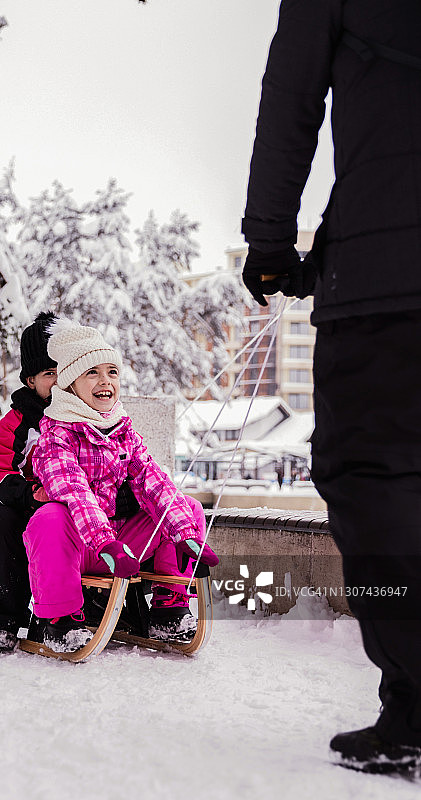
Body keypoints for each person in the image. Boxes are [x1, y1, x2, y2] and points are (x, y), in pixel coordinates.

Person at [241, 0, 421, 775]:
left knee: (369, 481)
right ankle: (408, 710)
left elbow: (291, 96)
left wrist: (270, 242)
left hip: (386, 280)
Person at [22, 319, 218, 654]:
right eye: (92, 373)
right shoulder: (55, 434)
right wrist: (104, 543)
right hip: (83, 547)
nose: (105, 381)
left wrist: (187, 536)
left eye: (112, 372)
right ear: (69, 384)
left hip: (123, 548)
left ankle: (169, 606)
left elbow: (154, 482)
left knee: (186, 506)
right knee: (49, 518)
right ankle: (61, 619)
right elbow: (75, 493)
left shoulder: (123, 432)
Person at [0, 311, 57, 652]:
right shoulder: (16, 424)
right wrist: (31, 494)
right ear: (31, 380)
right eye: (49, 373)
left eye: (64, 372)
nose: (58, 380)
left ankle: (68, 614)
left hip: (67, 511)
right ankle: (3, 619)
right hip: (20, 510)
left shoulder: (83, 419)